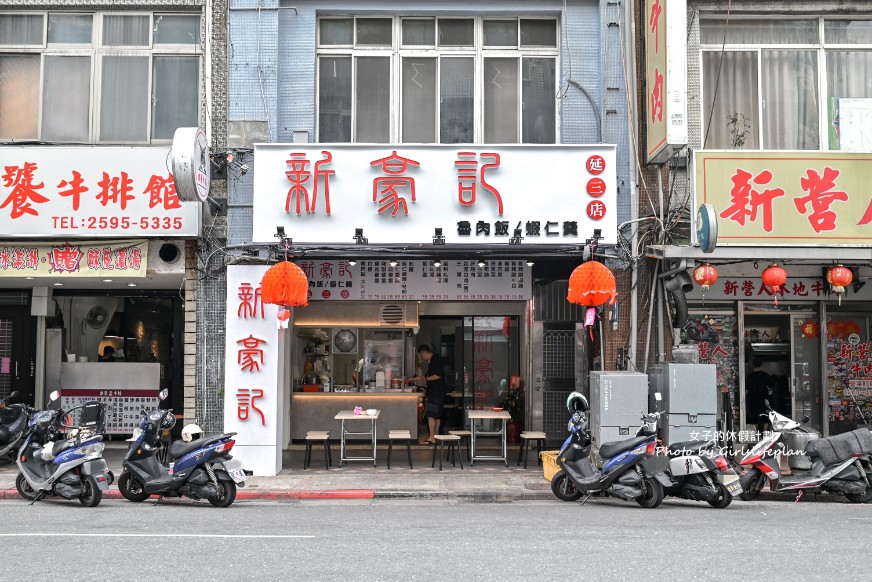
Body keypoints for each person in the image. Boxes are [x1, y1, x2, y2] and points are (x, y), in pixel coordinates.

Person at [406, 345, 446, 444]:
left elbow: (437, 375)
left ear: (424, 353)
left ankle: (432, 437)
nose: (421, 358)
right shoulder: (434, 360)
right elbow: (425, 375)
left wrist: (426, 379)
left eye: (421, 356)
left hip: (435, 392)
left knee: (431, 415)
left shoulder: (435, 361)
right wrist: (412, 379)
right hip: (438, 392)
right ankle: (436, 437)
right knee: (437, 415)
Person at [746, 357, 773, 434]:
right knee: (766, 413)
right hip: (764, 398)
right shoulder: (766, 375)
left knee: (754, 414)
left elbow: (746, 389)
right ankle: (765, 430)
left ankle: (757, 430)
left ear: (753, 365)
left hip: (753, 398)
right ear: (761, 365)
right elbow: (771, 387)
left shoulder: (750, 376)